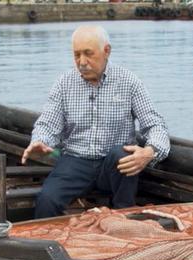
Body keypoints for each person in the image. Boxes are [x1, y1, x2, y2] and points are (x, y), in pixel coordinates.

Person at [22, 25, 170, 219]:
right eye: (76, 55)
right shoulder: (64, 83)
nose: (82, 62)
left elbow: (155, 125)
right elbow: (48, 124)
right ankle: (47, 246)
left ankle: (124, 219)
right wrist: (40, 141)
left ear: (106, 51)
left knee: (123, 153)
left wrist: (150, 152)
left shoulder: (129, 82)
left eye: (88, 54)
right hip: (75, 161)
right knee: (47, 200)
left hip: (114, 166)